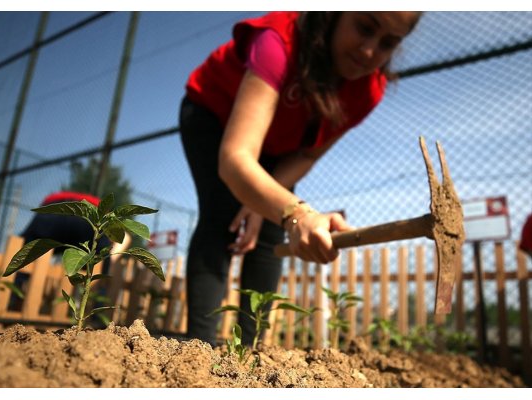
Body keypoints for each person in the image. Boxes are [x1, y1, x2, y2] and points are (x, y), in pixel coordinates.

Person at [179, 11, 422, 346]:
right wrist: (298, 214)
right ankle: (197, 349)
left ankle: (248, 352)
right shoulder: (279, 41)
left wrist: (266, 205)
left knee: (269, 231)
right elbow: (235, 158)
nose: (369, 51)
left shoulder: (369, 90)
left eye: (388, 43)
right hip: (216, 116)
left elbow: (307, 155)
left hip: (281, 145)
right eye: (365, 28)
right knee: (223, 216)